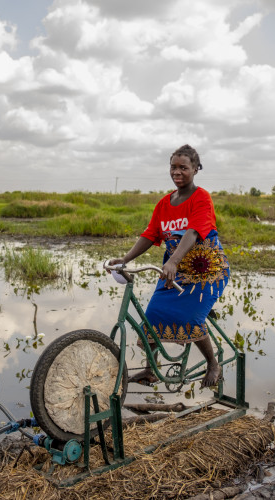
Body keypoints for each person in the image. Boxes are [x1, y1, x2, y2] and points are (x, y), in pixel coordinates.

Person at [108, 144, 230, 387]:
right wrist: (126, 259)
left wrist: (173, 260)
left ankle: (213, 365)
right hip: (174, 270)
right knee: (152, 316)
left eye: (183, 167)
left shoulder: (201, 198)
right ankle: (150, 370)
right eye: (173, 167)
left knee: (191, 318)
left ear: (196, 169)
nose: (177, 172)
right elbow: (150, 234)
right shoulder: (165, 203)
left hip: (206, 270)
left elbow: (193, 232)